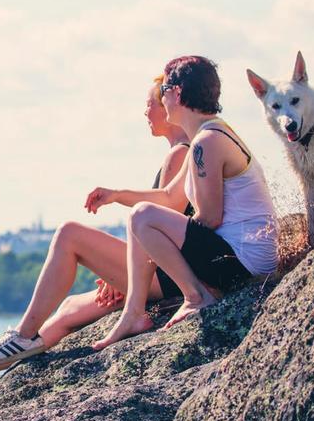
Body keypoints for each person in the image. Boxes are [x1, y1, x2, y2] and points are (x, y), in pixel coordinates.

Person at [0, 75, 191, 391]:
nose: (146, 113)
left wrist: (125, 272)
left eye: (150, 104)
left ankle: (22, 334)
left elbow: (166, 228)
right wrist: (119, 271)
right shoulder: (180, 152)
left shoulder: (179, 153)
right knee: (68, 309)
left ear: (167, 107)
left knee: (69, 234)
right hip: (163, 276)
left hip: (168, 278)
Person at [85, 54, 279, 349]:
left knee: (143, 218)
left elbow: (210, 217)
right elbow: (169, 198)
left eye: (163, 92)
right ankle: (133, 313)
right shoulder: (209, 133)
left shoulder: (206, 142)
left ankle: (196, 296)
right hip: (239, 258)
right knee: (141, 217)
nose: (161, 100)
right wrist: (116, 195)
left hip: (244, 265)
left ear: (176, 93)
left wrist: (161, 247)